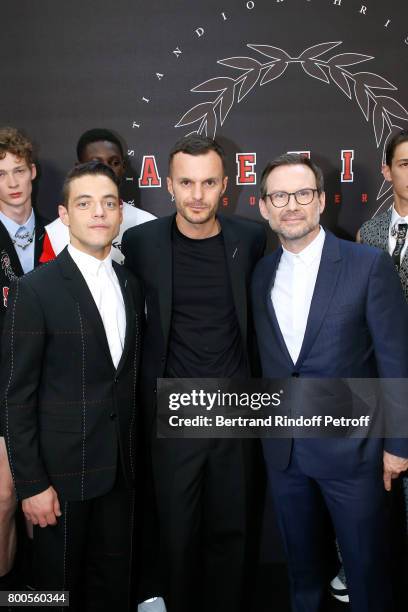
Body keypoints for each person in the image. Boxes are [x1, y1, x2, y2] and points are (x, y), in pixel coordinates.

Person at [252, 152, 408, 612]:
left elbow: (396, 359)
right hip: (285, 454)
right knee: (302, 575)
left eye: (303, 193)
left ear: (321, 200)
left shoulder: (367, 265)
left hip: (355, 454)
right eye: (279, 196)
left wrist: (398, 445)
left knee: (367, 574)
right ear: (263, 207)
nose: (291, 205)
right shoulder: (260, 274)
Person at [122, 134, 266, 612]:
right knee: (177, 529)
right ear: (169, 185)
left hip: (236, 408)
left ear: (226, 185)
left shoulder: (250, 239)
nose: (197, 195)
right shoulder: (141, 242)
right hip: (173, 409)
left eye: (208, 183)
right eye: (187, 182)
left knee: (233, 528)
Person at [1, 161, 143, 610]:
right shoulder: (35, 290)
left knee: (112, 585)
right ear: (64, 215)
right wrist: (31, 485)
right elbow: (15, 396)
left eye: (107, 203)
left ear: (120, 213)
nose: (98, 213)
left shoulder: (131, 283)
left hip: (121, 473)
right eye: (85, 204)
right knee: (51, 592)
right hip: (57, 482)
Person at [0, 126, 48, 588]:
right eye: (1, 174)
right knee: (3, 496)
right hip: (3, 385)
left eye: (18, 170)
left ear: (32, 172)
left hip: (55, 385)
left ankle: (45, 589)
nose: (12, 182)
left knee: (49, 500)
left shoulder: (61, 230)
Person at [40, 128, 155, 264]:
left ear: (123, 167)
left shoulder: (148, 225)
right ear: (79, 167)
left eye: (114, 163)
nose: (106, 171)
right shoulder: (56, 233)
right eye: (96, 163)